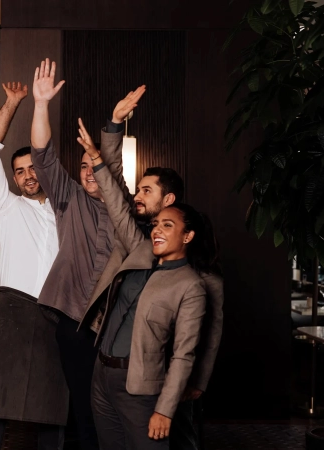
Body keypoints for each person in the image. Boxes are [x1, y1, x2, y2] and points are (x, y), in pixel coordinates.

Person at [86, 94, 224, 449]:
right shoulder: (140, 242)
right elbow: (113, 190)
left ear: (170, 202)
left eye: (146, 191)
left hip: (155, 380)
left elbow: (204, 338)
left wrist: (196, 384)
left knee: (180, 438)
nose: (137, 195)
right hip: (107, 372)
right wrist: (113, 127)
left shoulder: (198, 277)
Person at [30, 58, 138, 450]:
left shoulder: (123, 204)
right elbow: (43, 156)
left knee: (110, 406)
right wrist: (40, 104)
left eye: (96, 167)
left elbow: (109, 164)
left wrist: (114, 124)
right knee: (82, 406)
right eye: (83, 167)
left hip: (113, 325)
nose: (90, 172)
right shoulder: (69, 197)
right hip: (74, 319)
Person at [0, 82, 67, 450]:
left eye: (33, 167)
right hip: (12, 311)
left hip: (57, 313)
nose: (28, 175)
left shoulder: (67, 211)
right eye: (20, 171)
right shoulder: (6, 207)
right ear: (13, 178)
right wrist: (12, 103)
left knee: (53, 405)